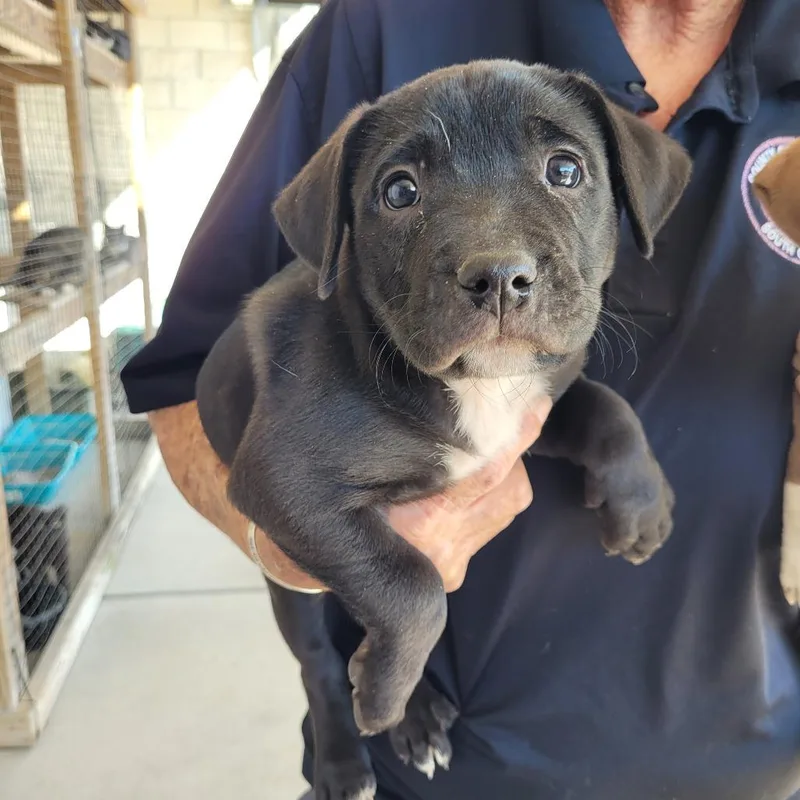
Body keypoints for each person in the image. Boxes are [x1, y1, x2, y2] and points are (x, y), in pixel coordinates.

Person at [120, 0, 800, 797]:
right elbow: (182, 387)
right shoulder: (380, 25)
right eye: (401, 191)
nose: (498, 263)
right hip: (445, 763)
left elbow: (567, 400)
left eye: (565, 171)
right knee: (312, 627)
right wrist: (299, 557)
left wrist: (617, 442)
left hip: (744, 743)